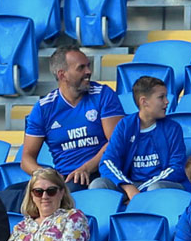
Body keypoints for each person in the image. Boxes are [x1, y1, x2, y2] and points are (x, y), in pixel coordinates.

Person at [20, 45, 123, 193]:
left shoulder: (103, 95)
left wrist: (86, 168)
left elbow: (115, 142)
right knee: (11, 195)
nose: (89, 71)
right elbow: (26, 160)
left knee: (66, 194)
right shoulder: (43, 108)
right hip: (65, 178)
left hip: (101, 171)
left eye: (88, 66)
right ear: (62, 75)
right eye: (81, 68)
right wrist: (48, 176)